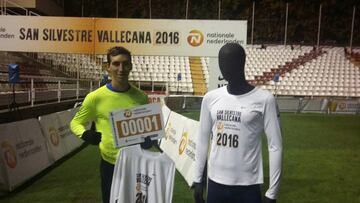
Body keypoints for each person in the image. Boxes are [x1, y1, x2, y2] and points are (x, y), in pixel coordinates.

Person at [193, 43, 283, 203]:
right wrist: (198, 178)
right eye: (221, 62)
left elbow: (275, 145)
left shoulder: (264, 99)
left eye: (229, 61)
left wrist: (272, 192)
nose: (224, 67)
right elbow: (202, 139)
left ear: (241, 62)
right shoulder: (211, 98)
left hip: (248, 185)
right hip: (215, 183)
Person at [70, 46, 148, 203]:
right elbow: (75, 123)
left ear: (131, 66)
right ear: (108, 67)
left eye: (125, 64)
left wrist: (148, 140)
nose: (121, 69)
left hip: (136, 164)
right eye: (116, 64)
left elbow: (146, 131)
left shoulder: (142, 97)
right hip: (109, 165)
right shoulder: (95, 98)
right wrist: (85, 134)